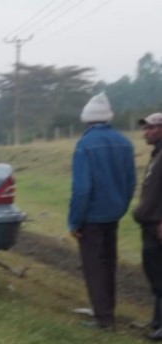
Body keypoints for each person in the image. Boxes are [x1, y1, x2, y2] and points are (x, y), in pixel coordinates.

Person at [68, 92, 136, 330]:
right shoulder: (125, 143)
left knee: (94, 267)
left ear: (87, 120)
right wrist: (121, 206)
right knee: (109, 263)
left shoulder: (84, 145)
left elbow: (82, 188)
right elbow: (130, 182)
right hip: (113, 214)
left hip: (92, 217)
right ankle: (108, 310)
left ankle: (103, 318)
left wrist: (74, 221)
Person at [131, 112, 162, 341]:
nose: (146, 132)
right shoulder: (156, 154)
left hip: (158, 225)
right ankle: (157, 320)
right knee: (154, 271)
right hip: (149, 224)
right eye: (145, 128)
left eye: (151, 128)